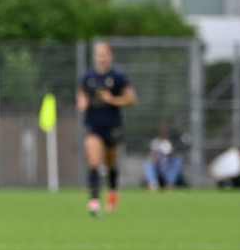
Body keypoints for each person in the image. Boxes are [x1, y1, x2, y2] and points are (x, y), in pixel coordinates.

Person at [76, 41, 136, 216]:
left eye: (105, 55)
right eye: (99, 55)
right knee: (94, 162)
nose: (102, 58)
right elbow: (81, 95)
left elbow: (132, 99)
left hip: (112, 126)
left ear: (110, 56)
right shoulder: (87, 78)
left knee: (110, 163)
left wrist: (113, 100)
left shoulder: (118, 78)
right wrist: (82, 102)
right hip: (93, 126)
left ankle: (112, 195)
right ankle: (94, 202)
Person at [144, 127, 184, 191]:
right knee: (148, 164)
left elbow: (174, 156)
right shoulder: (155, 142)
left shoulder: (172, 141)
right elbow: (152, 156)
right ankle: (153, 184)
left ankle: (170, 184)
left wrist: (170, 154)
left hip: (169, 169)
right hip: (159, 170)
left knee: (178, 162)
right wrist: (156, 158)